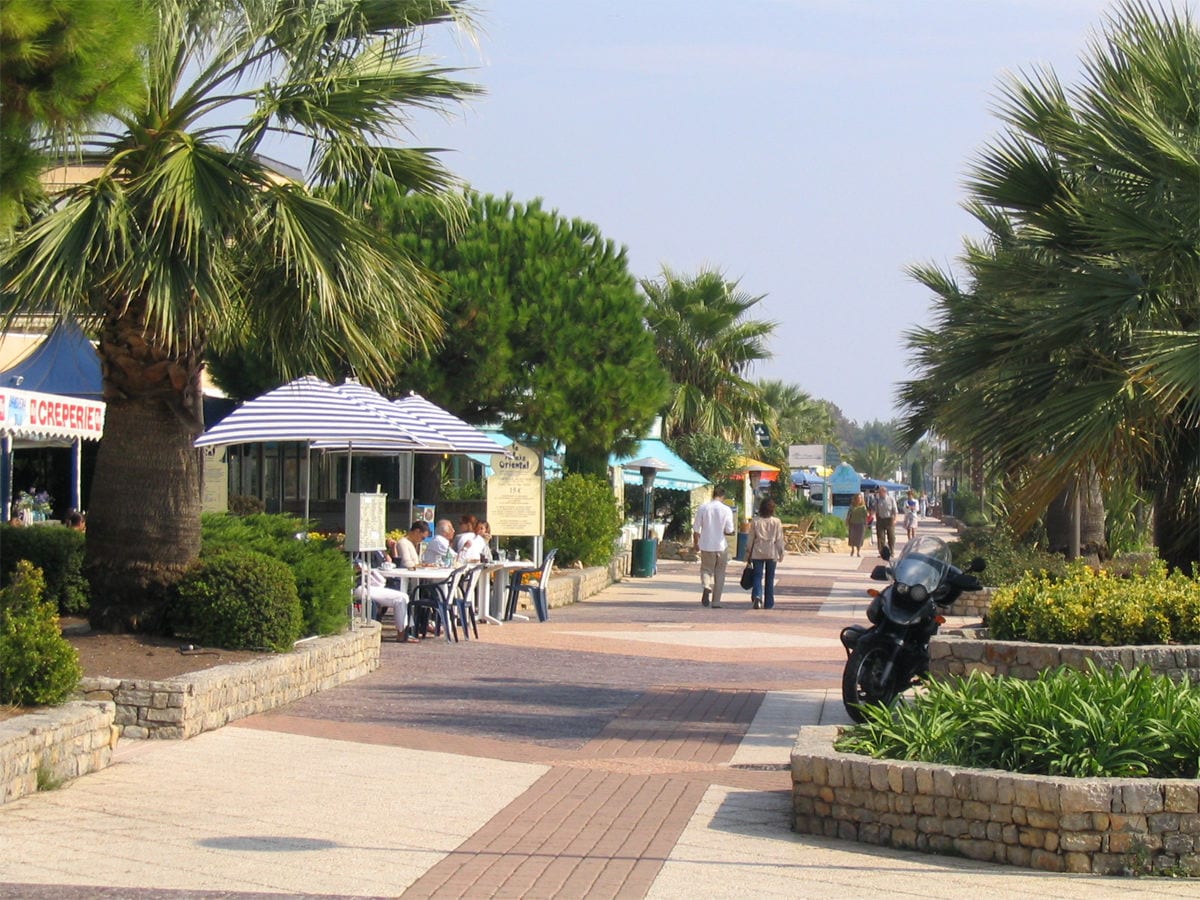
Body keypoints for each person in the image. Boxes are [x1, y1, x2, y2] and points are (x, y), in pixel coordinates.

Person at [692, 485, 735, 608]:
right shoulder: (726, 510)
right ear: (723, 496)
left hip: (706, 544)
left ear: (713, 494)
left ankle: (706, 586)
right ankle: (716, 602)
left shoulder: (703, 508)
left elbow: (696, 529)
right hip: (721, 545)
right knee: (720, 573)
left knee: (706, 569)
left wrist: (696, 543)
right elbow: (729, 529)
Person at [352, 563, 411, 641]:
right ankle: (403, 633)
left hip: (367, 585)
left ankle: (405, 632)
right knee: (401, 598)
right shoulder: (348, 555)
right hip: (360, 587)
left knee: (403, 597)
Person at [745, 498, 786, 609]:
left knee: (757, 576)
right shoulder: (776, 522)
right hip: (771, 552)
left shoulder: (756, 521)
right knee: (770, 578)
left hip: (757, 552)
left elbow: (751, 538)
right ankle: (769, 603)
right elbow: (779, 538)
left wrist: (748, 551)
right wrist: (781, 552)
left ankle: (757, 595)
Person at [873, 485, 898, 555]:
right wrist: (877, 520)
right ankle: (882, 552)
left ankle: (892, 551)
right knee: (880, 537)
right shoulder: (878, 500)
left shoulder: (891, 499)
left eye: (880, 492)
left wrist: (895, 519)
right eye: (879, 492)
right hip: (881, 520)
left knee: (891, 536)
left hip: (889, 519)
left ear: (885, 492)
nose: (879, 494)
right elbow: (877, 512)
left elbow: (895, 511)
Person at [845, 493, 868, 557]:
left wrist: (866, 523)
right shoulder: (852, 506)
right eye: (858, 498)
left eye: (860, 498)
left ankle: (858, 551)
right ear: (855, 499)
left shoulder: (863, 507)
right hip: (853, 523)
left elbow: (866, 516)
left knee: (859, 538)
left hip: (861, 524)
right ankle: (852, 549)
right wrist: (847, 521)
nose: (859, 499)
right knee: (852, 537)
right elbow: (849, 514)